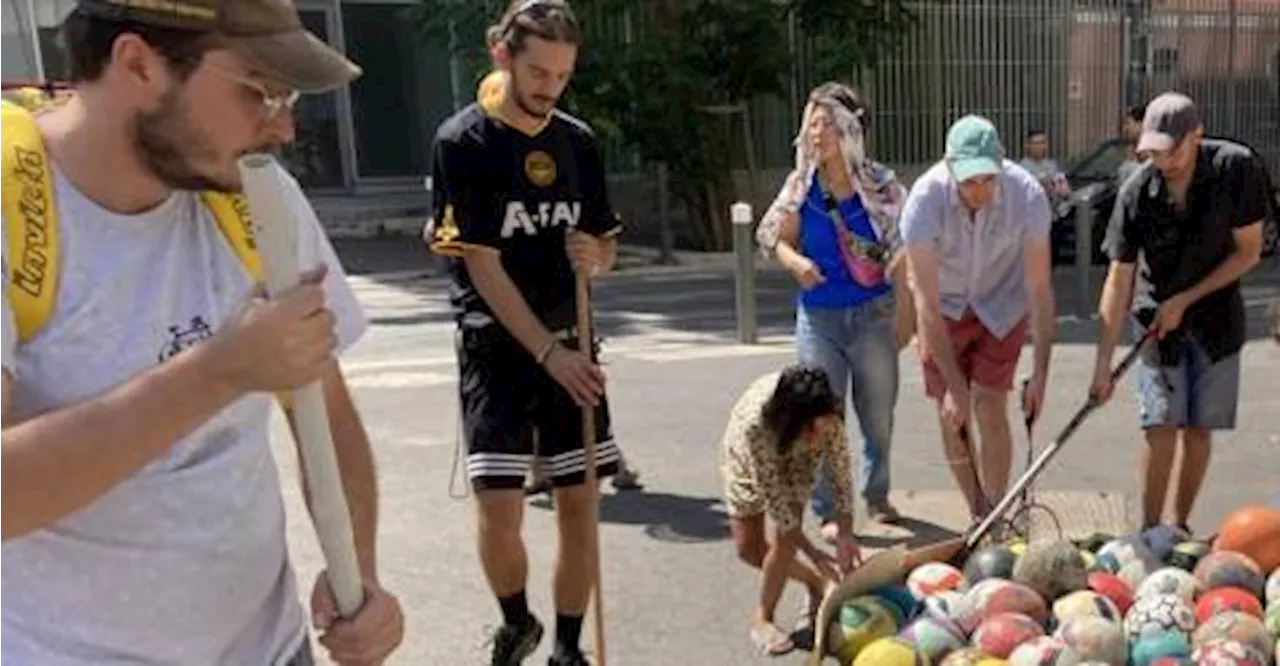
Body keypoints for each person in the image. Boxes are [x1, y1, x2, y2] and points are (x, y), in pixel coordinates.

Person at [0, 1, 405, 665]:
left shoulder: (253, 199)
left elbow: (325, 413)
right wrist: (219, 372)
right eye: (259, 89)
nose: (282, 125)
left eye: (289, 93)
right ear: (138, 63)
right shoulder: (11, 206)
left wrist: (357, 574)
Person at [424, 1, 622, 664]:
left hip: (575, 338)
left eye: (563, 75)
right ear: (501, 55)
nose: (550, 87)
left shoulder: (579, 142)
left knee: (578, 505)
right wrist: (547, 352)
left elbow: (603, 244)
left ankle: (569, 645)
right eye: (538, 70)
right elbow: (481, 263)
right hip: (499, 349)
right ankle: (517, 621)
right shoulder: (464, 142)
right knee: (500, 508)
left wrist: (596, 258)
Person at [1091, 92, 1269, 535]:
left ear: (1197, 135)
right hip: (1155, 320)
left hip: (1217, 320)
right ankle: (1151, 530)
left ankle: (1180, 525)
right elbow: (1119, 278)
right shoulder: (1136, 191)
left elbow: (1248, 253)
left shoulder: (1237, 169)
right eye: (1153, 152)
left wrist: (1186, 300)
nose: (1163, 161)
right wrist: (1103, 366)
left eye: (1173, 149)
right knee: (1160, 426)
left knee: (1197, 429)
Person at [755, 81, 907, 533]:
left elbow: (904, 249)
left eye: (826, 123)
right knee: (822, 416)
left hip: (873, 315)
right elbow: (773, 238)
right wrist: (795, 261)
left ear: (851, 131)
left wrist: (909, 311)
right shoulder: (800, 185)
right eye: (811, 123)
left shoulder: (881, 185)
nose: (816, 133)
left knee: (877, 416)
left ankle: (876, 493)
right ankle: (830, 509)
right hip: (818, 317)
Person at [901, 114, 1056, 526]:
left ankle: (996, 510)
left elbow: (1040, 292)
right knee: (952, 412)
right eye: (968, 181)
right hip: (943, 307)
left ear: (1002, 164)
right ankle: (976, 510)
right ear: (950, 166)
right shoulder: (924, 200)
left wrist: (1040, 374)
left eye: (988, 178)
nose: (979, 190)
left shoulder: (1028, 196)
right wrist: (953, 387)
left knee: (990, 404)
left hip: (1002, 304)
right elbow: (926, 303)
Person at [720, 365, 862, 656]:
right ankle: (815, 581)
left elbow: (841, 475)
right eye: (813, 426)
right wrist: (815, 555)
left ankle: (763, 617)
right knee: (749, 549)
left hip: (799, 459)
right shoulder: (754, 427)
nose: (819, 432)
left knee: (784, 544)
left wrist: (846, 532)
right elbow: (778, 508)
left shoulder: (827, 417)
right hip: (753, 457)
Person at [1117, 104, 1148, 186]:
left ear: (1140, 124)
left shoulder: (1153, 152)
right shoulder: (1130, 150)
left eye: (1128, 123)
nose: (1125, 128)